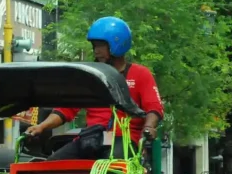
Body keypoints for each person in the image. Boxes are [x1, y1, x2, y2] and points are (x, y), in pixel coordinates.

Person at [26, 16, 163, 159]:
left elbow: (154, 108)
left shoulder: (141, 74)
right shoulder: (90, 75)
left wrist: (149, 128)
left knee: (107, 171)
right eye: (95, 46)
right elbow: (66, 110)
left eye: (101, 46)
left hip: (124, 139)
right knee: (51, 167)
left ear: (117, 44)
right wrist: (41, 126)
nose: (96, 51)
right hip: (90, 138)